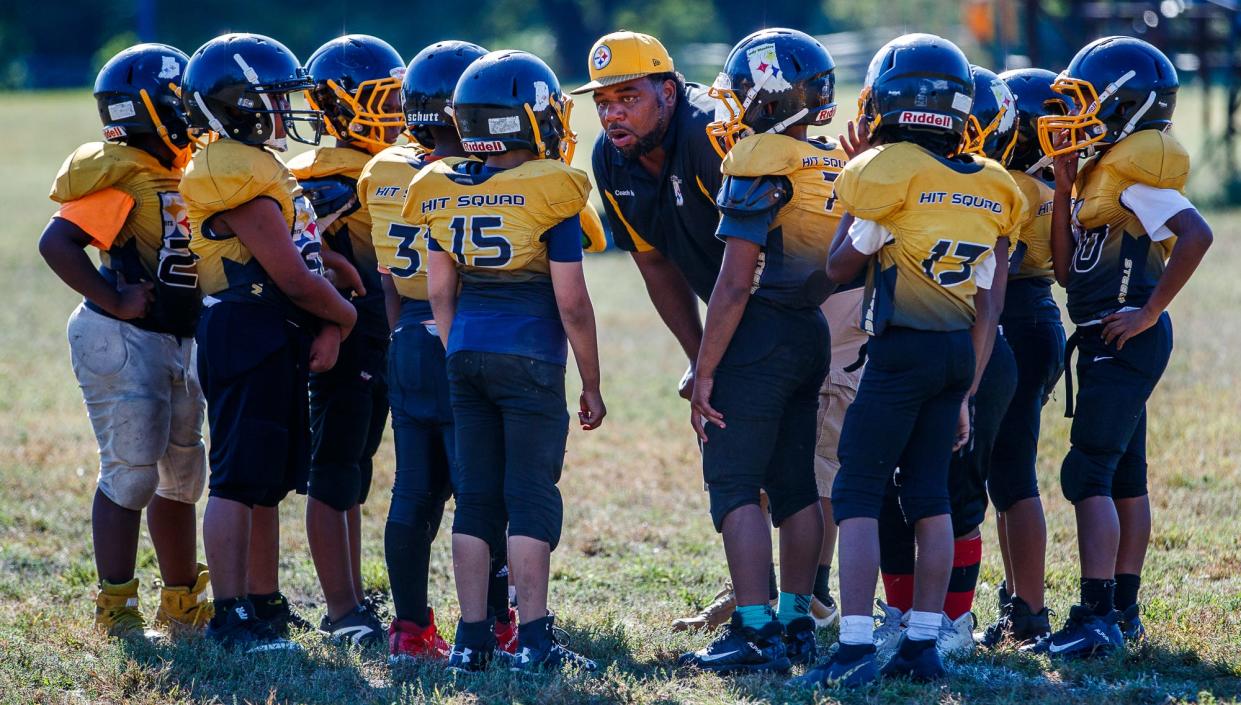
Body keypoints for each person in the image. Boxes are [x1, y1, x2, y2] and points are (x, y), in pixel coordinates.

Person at [792, 34, 1025, 687]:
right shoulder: (991, 181)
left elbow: (839, 266)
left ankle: (856, 643)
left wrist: (855, 185)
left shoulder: (886, 170)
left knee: (856, 490)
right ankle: (923, 640)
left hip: (900, 352)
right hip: (957, 354)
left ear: (883, 102)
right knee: (928, 495)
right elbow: (989, 301)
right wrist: (965, 393)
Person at [574, 30, 790, 632]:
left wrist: (715, 364)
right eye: (604, 101)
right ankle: (761, 592)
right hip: (734, 308)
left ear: (667, 91)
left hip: (792, 301)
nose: (613, 112)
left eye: (628, 96)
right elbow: (653, 261)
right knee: (734, 453)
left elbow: (750, 263)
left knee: (802, 461)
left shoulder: (706, 133)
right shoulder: (608, 156)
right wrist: (701, 359)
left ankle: (803, 600)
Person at [407, 50, 605, 673]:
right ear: (529, 118)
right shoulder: (553, 189)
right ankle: (536, 640)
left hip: (464, 349)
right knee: (530, 495)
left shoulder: (439, 184)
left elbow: (440, 291)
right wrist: (592, 381)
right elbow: (571, 301)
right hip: (529, 356)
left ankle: (471, 640)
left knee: (475, 500)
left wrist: (455, 344)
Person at [1028, 36, 1212, 658]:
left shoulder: (1139, 173)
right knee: (1124, 477)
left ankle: (1097, 613)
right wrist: (1063, 184)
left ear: (1123, 107)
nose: (1071, 117)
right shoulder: (1100, 179)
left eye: (1082, 103)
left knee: (1088, 474)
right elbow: (1063, 269)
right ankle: (1125, 610)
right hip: (1107, 332)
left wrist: (1150, 308)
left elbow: (1197, 234)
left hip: (1123, 335)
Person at [179, 32, 358, 651]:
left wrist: (332, 302)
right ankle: (230, 614)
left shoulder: (255, 165)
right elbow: (288, 274)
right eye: (276, 100)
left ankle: (262, 600)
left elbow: (306, 261)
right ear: (238, 104)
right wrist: (345, 317)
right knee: (235, 477)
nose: (289, 111)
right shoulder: (228, 170)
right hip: (245, 324)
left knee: (266, 479)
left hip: (272, 326)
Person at [675, 28, 841, 675]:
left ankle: (753, 630)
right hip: (809, 333)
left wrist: (705, 366)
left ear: (761, 96)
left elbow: (736, 277)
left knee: (736, 482)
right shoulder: (829, 161)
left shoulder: (755, 158)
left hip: (759, 336)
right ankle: (797, 621)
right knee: (796, 484)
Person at [39, 43, 211, 639]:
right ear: (149, 109)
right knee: (133, 471)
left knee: (183, 476)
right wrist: (115, 298)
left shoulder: (184, 167)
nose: (191, 111)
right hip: (121, 333)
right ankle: (116, 603)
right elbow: (57, 243)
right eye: (179, 100)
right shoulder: (123, 172)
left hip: (174, 336)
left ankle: (182, 597)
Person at [362, 39, 520, 661]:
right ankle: (497, 624)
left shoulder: (383, 169)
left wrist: (404, 335)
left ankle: (409, 630)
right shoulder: (477, 174)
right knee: (482, 491)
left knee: (413, 489)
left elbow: (387, 281)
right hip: (465, 331)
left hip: (405, 336)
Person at [872, 65, 1021, 659]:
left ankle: (952, 620)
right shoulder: (913, 182)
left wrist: (967, 390)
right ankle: (903, 614)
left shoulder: (985, 189)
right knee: (889, 492)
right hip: (915, 354)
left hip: (968, 357)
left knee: (954, 495)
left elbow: (990, 307)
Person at [290, 33, 406, 647]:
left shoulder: (386, 166)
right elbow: (309, 260)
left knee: (354, 472)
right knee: (332, 471)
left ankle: (355, 596)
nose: (397, 115)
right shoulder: (329, 178)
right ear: (342, 106)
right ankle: (341, 608)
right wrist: (334, 324)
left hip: (377, 337)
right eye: (384, 102)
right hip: (344, 337)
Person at [975, 67, 1068, 648]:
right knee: (1007, 474)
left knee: (1010, 474)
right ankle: (1020, 603)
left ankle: (1030, 607)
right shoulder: (1050, 187)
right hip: (1038, 321)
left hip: (1012, 321)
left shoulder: (1010, 187)